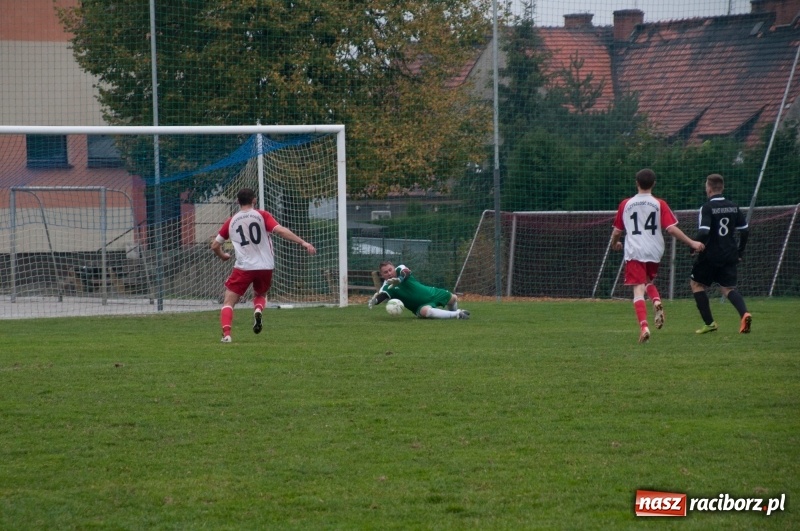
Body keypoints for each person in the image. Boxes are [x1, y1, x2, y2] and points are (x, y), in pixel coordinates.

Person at [611, 169, 704, 344]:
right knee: (648, 283)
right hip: (655, 250)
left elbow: (617, 231)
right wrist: (691, 242)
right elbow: (670, 228)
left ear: (636, 183)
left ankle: (644, 327)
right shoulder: (659, 203)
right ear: (653, 184)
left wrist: (614, 243)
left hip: (635, 251)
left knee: (638, 289)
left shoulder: (626, 204)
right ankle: (656, 300)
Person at [211, 188, 316, 342]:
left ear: (237, 202)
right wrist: (303, 242)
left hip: (243, 267)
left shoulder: (231, 221)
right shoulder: (262, 215)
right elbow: (280, 230)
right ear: (254, 200)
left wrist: (223, 255)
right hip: (265, 266)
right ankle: (258, 310)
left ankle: (227, 335)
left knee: (228, 301)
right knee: (260, 295)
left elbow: (214, 245)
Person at [690, 174, 752, 334]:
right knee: (727, 288)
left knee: (696, 284)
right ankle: (744, 313)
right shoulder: (733, 206)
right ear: (722, 187)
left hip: (710, 254)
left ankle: (709, 323)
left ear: (708, 188)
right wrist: (740, 251)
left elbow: (704, 232)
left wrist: (693, 246)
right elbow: (744, 231)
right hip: (730, 253)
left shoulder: (707, 207)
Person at [368, 261, 470, 319]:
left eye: (390, 270)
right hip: (420, 307)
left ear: (394, 268)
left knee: (453, 298)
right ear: (382, 275)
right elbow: (382, 296)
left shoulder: (400, 269)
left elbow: (406, 273)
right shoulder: (386, 287)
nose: (389, 273)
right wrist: (375, 301)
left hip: (431, 292)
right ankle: (457, 314)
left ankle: (454, 312)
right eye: (385, 272)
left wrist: (399, 279)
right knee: (426, 311)